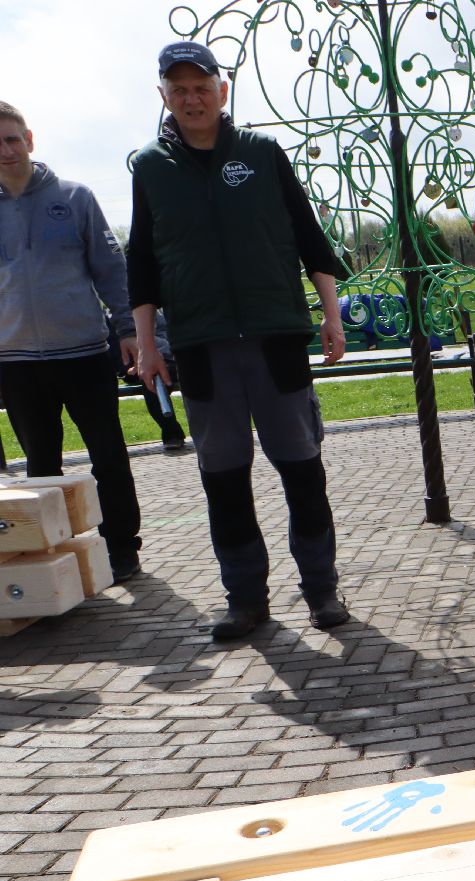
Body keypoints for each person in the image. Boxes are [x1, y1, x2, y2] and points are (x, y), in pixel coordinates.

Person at [128, 41, 350, 640]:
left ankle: (322, 591)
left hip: (276, 339)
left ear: (221, 90)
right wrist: (148, 345)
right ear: (164, 97)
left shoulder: (261, 151)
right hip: (201, 349)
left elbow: (310, 238)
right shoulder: (149, 167)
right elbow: (142, 263)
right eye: (179, 90)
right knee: (223, 480)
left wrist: (332, 315)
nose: (192, 98)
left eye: (201, 86)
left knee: (302, 471)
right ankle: (246, 599)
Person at [0, 101, 145, 582]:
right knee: (40, 467)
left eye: (11, 139)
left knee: (108, 453)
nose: (4, 151)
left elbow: (111, 270)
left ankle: (123, 547)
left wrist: (127, 329)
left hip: (84, 353)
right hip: (16, 361)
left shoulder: (75, 197)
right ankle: (50, 561)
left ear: (30, 140)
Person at [107, 312, 187, 454]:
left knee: (153, 379)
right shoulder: (110, 318)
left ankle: (172, 434)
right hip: (135, 367)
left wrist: (154, 356)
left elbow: (164, 335)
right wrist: (127, 367)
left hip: (164, 359)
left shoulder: (149, 311)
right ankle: (172, 433)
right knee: (150, 380)